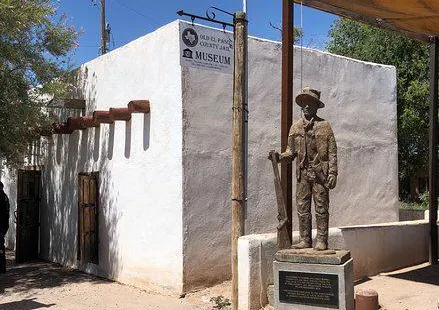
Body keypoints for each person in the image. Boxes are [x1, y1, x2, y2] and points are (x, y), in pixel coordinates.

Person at [273, 86, 338, 251]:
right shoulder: (295, 128)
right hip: (302, 174)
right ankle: (305, 239)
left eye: (310, 103)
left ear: (316, 106)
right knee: (302, 207)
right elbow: (291, 152)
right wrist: (279, 157)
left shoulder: (325, 126)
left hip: (320, 174)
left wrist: (333, 172)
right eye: (304, 103)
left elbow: (332, 152)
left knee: (321, 207)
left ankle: (322, 240)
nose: (306, 106)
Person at [0, 181, 10, 273]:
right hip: (3, 226)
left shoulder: (3, 198)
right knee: (1, 247)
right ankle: (2, 267)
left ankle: (2, 267)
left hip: (1, 225)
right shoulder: (5, 197)